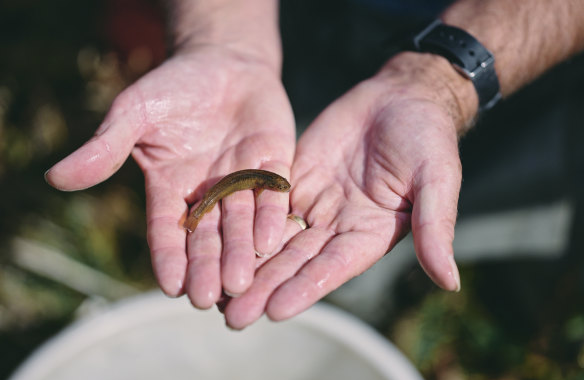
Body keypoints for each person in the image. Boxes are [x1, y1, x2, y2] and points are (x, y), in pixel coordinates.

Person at [44, 0, 584, 329]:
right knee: (321, 243)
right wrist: (222, 39)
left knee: (511, 243)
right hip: (293, 21)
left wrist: (443, 80)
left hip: (527, 55)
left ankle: (520, 306)